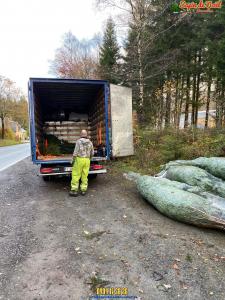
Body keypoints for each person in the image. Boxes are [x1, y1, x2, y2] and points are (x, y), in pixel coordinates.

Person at [70, 129, 94, 197]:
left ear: (81, 135)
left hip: (79, 159)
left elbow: (75, 152)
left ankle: (74, 190)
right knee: (85, 175)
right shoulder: (90, 142)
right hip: (87, 160)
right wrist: (90, 158)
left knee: (76, 174)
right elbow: (92, 152)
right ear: (86, 135)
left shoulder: (78, 142)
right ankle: (83, 190)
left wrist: (73, 160)